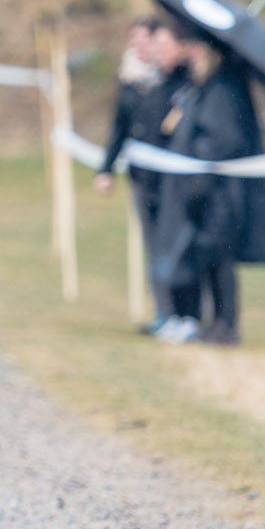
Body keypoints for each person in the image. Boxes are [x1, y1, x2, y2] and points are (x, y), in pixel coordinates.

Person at [150, 29, 265, 346]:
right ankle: (211, 322)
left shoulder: (224, 89)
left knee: (220, 260)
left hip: (222, 192)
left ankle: (226, 325)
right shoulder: (204, 86)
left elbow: (223, 139)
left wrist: (201, 172)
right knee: (206, 258)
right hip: (203, 190)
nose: (192, 55)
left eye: (198, 49)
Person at [94, 18, 166, 329]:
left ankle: (180, 312)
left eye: (143, 39)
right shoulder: (130, 81)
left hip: (170, 178)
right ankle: (162, 310)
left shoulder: (169, 80)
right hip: (140, 177)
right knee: (152, 246)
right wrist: (106, 168)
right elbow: (119, 128)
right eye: (132, 39)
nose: (137, 46)